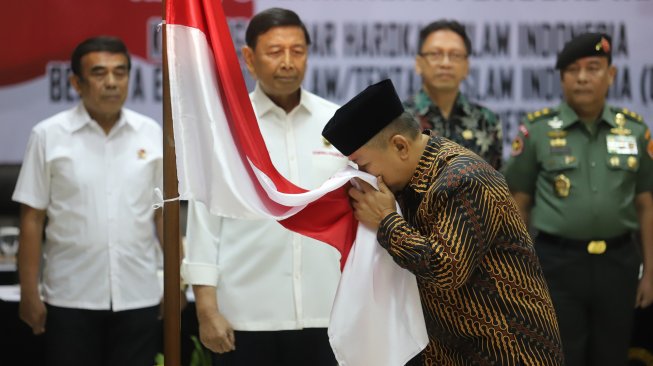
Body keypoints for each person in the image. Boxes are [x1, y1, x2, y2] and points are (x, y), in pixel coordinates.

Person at [321, 79, 563, 365]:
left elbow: (447, 270)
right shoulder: (409, 182)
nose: (366, 178)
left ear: (400, 146)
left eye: (364, 166)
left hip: (510, 351)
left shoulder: (464, 178)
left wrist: (387, 221)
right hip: (451, 352)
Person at [181, 8, 347, 366]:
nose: (288, 62)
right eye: (275, 51)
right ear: (249, 59)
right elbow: (204, 226)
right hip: (245, 317)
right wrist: (207, 310)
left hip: (329, 311)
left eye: (297, 51)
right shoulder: (224, 128)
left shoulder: (339, 123)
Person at [503, 33, 653, 366]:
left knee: (613, 355)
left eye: (593, 68)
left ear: (611, 75)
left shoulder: (634, 131)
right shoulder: (537, 130)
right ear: (561, 78)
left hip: (620, 264)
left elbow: (646, 203)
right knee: (559, 355)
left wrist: (651, 272)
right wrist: (520, 272)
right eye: (572, 69)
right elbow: (518, 202)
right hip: (555, 264)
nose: (582, 77)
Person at [13, 36, 164, 366]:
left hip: (138, 294)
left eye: (120, 72)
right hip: (70, 295)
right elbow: (31, 218)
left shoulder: (151, 134)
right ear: (76, 83)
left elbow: (163, 215)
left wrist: (176, 283)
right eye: (99, 73)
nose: (111, 82)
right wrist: (29, 292)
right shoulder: (48, 135)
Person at [403, 20, 503, 169]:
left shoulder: (486, 120)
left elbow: (497, 185)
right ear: (419, 63)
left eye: (455, 55)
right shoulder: (399, 119)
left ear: (466, 66)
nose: (445, 63)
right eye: (435, 54)